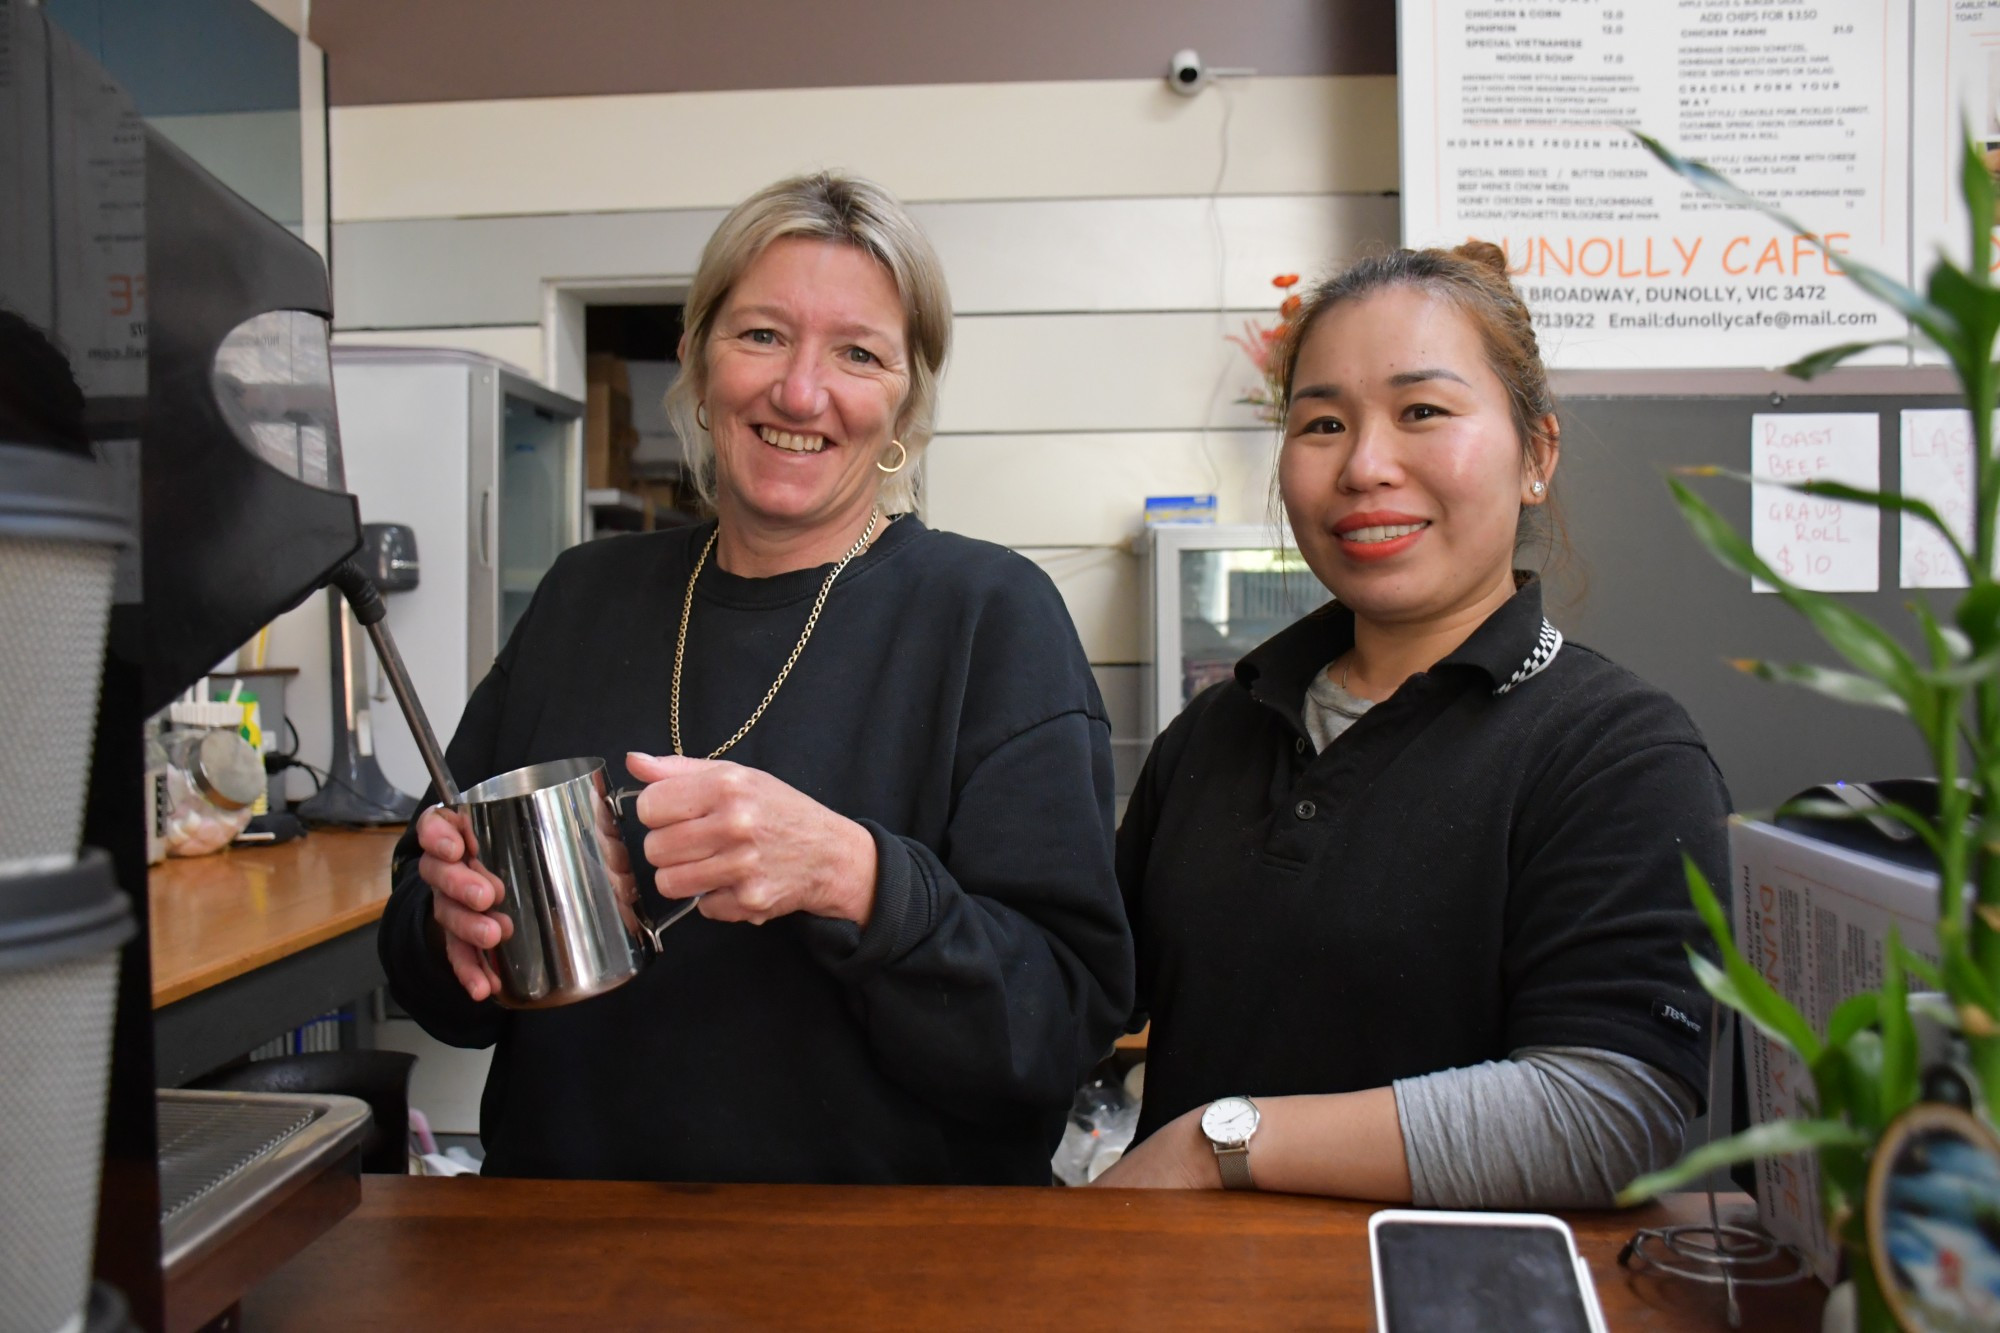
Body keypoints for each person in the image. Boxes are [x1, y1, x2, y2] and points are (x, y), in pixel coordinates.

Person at [378, 172, 1133, 1184]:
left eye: (857, 353)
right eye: (762, 336)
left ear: (906, 395)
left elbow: (1058, 1027)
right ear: (693, 360)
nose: (800, 393)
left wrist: (854, 876)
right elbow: (425, 965)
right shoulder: (584, 596)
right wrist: (449, 921)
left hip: (876, 1268)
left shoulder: (989, 616)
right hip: (568, 1248)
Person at [1095, 243, 1729, 1206]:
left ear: (1538, 455)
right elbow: (1087, 990)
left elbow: (1611, 1112)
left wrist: (1215, 1143)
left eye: (1422, 411)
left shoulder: (1619, 754)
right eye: (1322, 423)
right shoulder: (1221, 730)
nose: (1364, 465)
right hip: (1193, 1297)